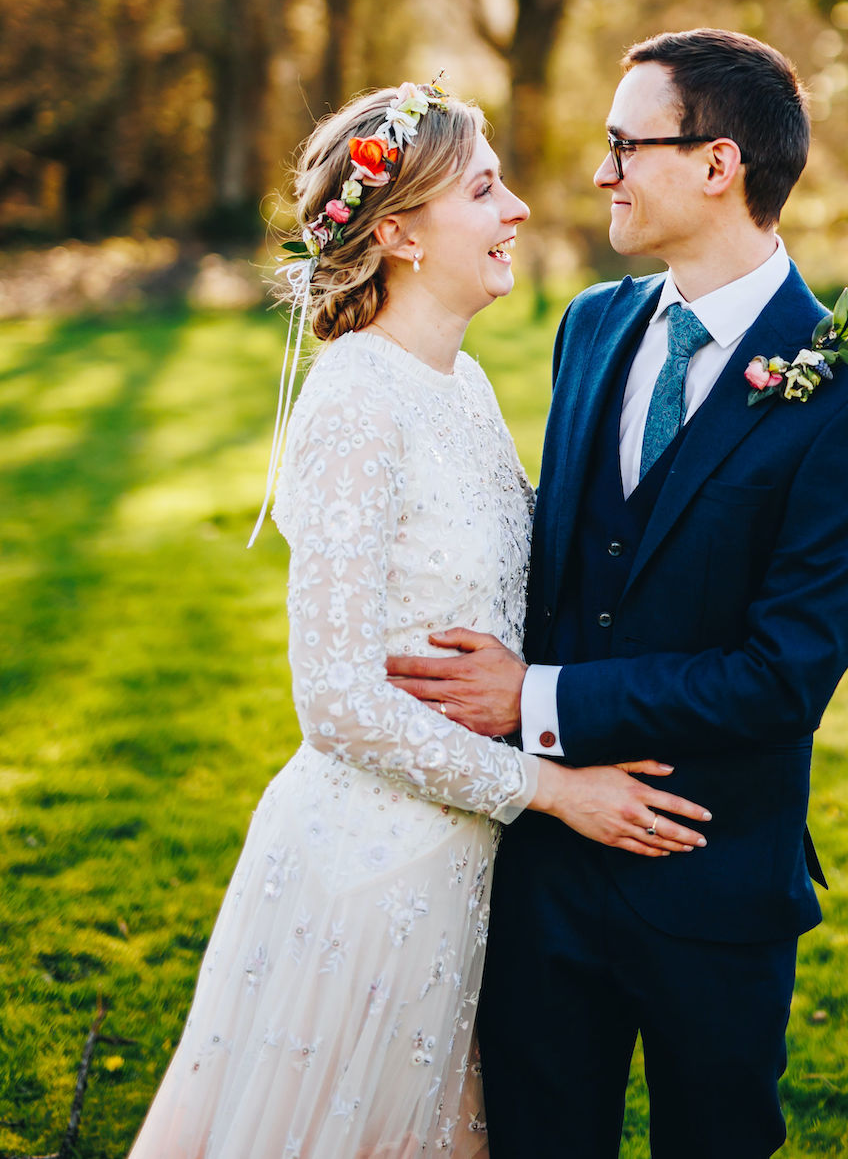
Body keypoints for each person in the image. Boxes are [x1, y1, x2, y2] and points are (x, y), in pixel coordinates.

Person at [128, 81, 710, 1159]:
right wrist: (551, 787)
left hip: (461, 878)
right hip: (362, 874)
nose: (520, 211)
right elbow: (336, 700)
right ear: (397, 233)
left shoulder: (464, 383)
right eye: (486, 189)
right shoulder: (354, 401)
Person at [386, 32, 848, 1158]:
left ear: (717, 163)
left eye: (626, 144)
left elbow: (781, 680)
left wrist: (532, 699)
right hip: (541, 875)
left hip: (711, 873)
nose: (601, 172)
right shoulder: (590, 326)